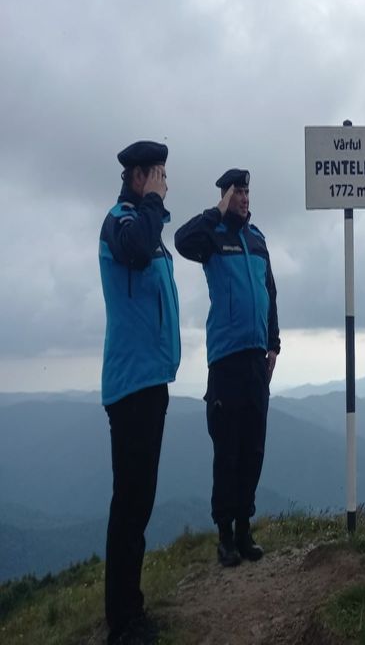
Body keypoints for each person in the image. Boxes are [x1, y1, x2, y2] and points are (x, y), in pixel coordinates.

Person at [175, 168, 280, 567]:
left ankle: (244, 530)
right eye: (238, 192)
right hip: (225, 362)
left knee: (253, 449)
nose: (245, 198)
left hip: (257, 360)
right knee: (228, 451)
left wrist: (274, 345)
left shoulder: (258, 240)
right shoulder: (212, 237)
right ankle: (224, 537)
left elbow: (270, 292)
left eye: (248, 192)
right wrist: (215, 212)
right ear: (224, 196)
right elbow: (182, 240)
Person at [99, 140, 181, 643]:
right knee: (129, 503)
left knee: (140, 500)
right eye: (160, 176)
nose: (166, 185)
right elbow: (132, 252)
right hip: (131, 386)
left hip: (152, 381)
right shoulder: (121, 222)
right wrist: (150, 203)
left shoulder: (147, 225)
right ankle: (121, 621)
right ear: (140, 177)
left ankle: (132, 607)